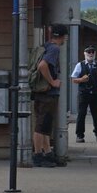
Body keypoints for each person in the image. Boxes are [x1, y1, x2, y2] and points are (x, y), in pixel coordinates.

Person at [33, 24, 68, 167]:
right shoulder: (54, 49)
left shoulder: (46, 45)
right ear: (62, 36)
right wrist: (53, 82)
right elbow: (42, 66)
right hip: (48, 93)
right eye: (65, 36)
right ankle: (37, 155)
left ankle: (47, 152)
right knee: (41, 125)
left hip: (41, 91)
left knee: (46, 124)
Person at [70, 45, 97, 142]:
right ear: (84, 53)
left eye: (92, 52)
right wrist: (81, 79)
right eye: (88, 52)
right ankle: (79, 135)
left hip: (95, 93)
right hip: (83, 93)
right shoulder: (79, 65)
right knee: (81, 114)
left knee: (96, 114)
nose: (91, 53)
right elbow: (73, 79)